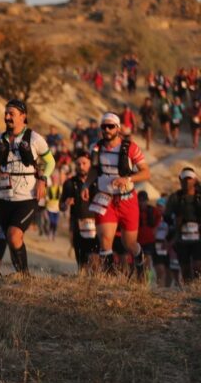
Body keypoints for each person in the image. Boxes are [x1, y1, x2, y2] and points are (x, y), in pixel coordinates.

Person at [0, 99, 54, 275]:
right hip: (5, 197)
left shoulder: (35, 139)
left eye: (11, 114)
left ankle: (25, 275)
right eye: (6, 113)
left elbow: (50, 162)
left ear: (23, 116)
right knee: (9, 237)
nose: (7, 117)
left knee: (14, 235)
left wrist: (43, 179)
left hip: (27, 198)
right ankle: (20, 276)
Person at [84, 112, 150, 277]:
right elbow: (93, 169)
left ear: (118, 128)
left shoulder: (131, 148)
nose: (107, 129)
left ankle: (140, 260)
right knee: (105, 240)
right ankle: (109, 278)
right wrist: (85, 185)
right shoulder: (95, 148)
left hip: (127, 199)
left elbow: (146, 173)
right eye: (104, 126)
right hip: (104, 197)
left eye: (110, 126)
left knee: (128, 243)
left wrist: (127, 178)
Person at [61, 152, 99, 273]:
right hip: (77, 224)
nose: (81, 166)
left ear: (90, 164)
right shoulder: (69, 183)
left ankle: (97, 286)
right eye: (78, 164)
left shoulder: (97, 181)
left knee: (95, 260)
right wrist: (66, 204)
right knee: (81, 262)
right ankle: (82, 286)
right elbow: (60, 206)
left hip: (95, 224)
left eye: (84, 163)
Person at [163, 168, 201, 284]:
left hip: (198, 237)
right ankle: (189, 289)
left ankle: (197, 288)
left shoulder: (199, 197)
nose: (186, 182)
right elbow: (167, 217)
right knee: (184, 267)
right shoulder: (175, 198)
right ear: (180, 180)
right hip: (181, 237)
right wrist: (175, 221)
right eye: (184, 180)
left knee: (198, 266)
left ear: (194, 180)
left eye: (189, 179)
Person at [136, 191, 162, 284]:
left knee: (147, 261)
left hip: (149, 240)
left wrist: (155, 228)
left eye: (144, 201)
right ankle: (140, 281)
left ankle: (147, 280)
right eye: (140, 201)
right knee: (138, 263)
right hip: (137, 241)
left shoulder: (152, 210)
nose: (142, 203)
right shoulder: (134, 210)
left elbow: (159, 218)